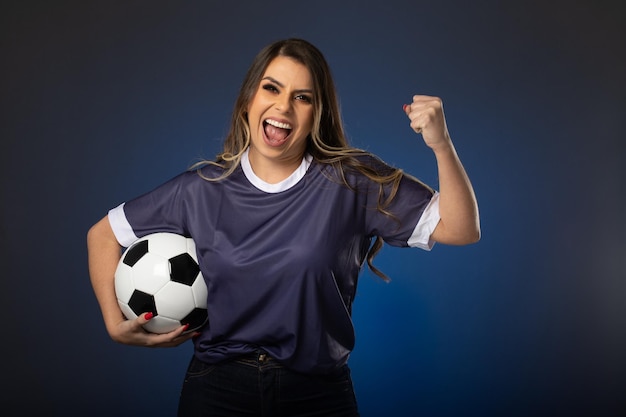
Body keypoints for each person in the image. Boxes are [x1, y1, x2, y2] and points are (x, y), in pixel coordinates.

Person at [87, 38, 480, 417]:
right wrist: (114, 324)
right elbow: (103, 236)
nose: (283, 106)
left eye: (302, 97)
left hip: (318, 393)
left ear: (317, 114)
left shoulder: (351, 181)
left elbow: (461, 229)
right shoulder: (200, 189)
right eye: (271, 88)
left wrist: (440, 143)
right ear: (248, 102)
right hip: (217, 391)